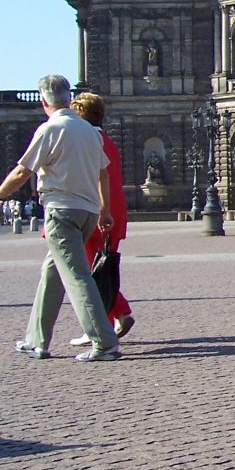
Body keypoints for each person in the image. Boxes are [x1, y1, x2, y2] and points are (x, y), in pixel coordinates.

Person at [0, 75, 120, 361]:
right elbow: (103, 172)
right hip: (87, 212)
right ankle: (36, 340)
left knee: (76, 276)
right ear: (67, 97)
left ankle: (104, 342)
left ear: (44, 101)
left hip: (61, 210)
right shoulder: (89, 131)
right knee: (52, 272)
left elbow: (23, 171)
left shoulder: (50, 129)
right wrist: (105, 208)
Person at [63, 93, 136, 347]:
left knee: (89, 274)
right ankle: (118, 314)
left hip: (96, 213)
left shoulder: (87, 141)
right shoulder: (107, 141)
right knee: (100, 271)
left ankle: (100, 324)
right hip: (115, 214)